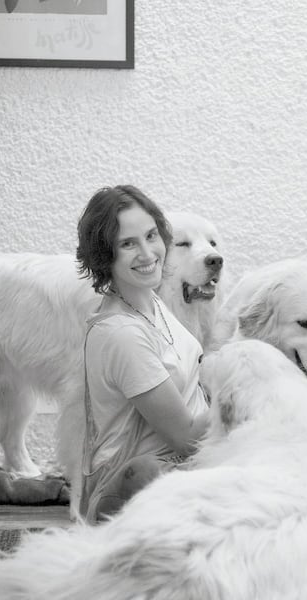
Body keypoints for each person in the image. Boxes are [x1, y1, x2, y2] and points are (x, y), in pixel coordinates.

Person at [75, 185, 210, 523]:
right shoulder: (122, 335)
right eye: (128, 244)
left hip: (182, 471)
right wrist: (243, 387)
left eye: (151, 235)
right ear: (105, 255)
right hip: (136, 491)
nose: (148, 253)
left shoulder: (150, 302)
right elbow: (185, 439)